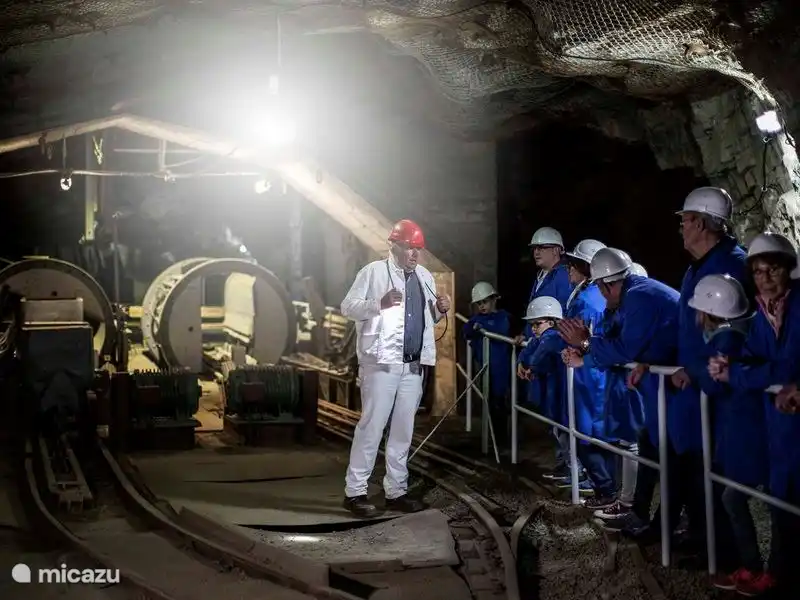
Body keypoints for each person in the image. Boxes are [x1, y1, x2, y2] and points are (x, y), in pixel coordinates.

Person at [558, 247, 680, 534]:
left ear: (607, 284)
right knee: (653, 448)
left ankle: (670, 525)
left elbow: (626, 348)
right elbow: (621, 340)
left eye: (600, 287)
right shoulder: (635, 294)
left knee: (674, 459)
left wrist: (586, 345)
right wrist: (586, 351)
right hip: (663, 380)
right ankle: (647, 518)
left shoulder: (639, 297)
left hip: (681, 385)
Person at [340, 219, 451, 518]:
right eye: (408, 247)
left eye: (418, 249)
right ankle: (355, 492)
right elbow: (348, 307)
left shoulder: (425, 276)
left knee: (403, 429)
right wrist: (379, 303)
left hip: (413, 366)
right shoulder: (373, 273)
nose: (414, 254)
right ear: (393, 245)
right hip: (381, 363)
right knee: (372, 426)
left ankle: (396, 490)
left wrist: (441, 311)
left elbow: (426, 321)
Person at [709, 232, 800, 596]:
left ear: (788, 269)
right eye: (758, 272)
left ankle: (778, 574)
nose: (764, 279)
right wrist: (736, 366)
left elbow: (780, 368)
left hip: (789, 423)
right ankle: (777, 575)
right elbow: (759, 361)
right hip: (781, 426)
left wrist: (742, 373)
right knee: (783, 504)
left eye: (772, 270)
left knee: (787, 503)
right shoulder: (765, 314)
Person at [669, 186, 749, 557]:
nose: (681, 228)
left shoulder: (731, 265)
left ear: (700, 223)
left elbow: (730, 336)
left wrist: (700, 371)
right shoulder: (699, 266)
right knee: (695, 464)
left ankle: (724, 550)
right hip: (696, 384)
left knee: (719, 472)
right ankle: (705, 537)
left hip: (719, 389)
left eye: (685, 220)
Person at [688, 273, 770, 593]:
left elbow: (711, 382)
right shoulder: (743, 331)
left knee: (736, 498)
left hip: (745, 429)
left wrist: (693, 366)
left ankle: (754, 569)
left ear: (712, 312)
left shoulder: (726, 339)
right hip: (748, 427)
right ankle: (754, 568)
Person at [560, 239, 614, 507]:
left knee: (586, 436)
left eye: (572, 263)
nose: (569, 268)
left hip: (588, 374)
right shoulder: (595, 295)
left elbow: (576, 334)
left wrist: (574, 350)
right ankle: (611, 490)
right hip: (598, 371)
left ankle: (607, 490)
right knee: (601, 436)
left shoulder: (585, 300)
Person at [520, 227, 573, 477]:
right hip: (542, 349)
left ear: (558, 251)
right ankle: (564, 462)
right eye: (535, 248)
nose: (536, 252)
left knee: (562, 412)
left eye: (542, 248)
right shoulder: (542, 276)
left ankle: (572, 467)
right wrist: (526, 335)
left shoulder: (561, 277)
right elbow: (535, 312)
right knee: (553, 412)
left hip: (554, 353)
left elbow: (558, 318)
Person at [463, 281, 512, 446]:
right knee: (489, 401)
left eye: (485, 302)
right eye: (479, 303)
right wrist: (474, 327)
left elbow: (501, 330)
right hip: (484, 367)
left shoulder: (502, 317)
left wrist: (481, 327)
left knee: (499, 402)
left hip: (500, 368)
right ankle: (491, 436)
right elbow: (466, 331)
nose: (482, 306)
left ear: (494, 300)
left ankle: (500, 439)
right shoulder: (476, 319)